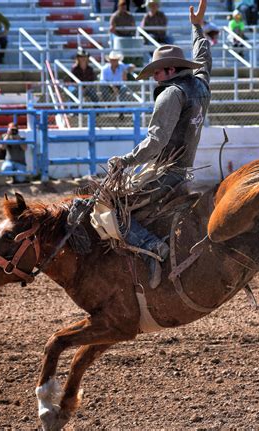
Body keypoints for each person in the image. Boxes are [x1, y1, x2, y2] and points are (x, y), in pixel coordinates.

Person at [107, 0, 212, 288]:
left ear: (169, 69)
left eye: (156, 70)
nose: (154, 75)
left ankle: (154, 248)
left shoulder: (170, 95)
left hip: (165, 174)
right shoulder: (201, 84)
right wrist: (196, 28)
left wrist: (124, 161)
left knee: (112, 206)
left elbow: (156, 142)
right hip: (184, 170)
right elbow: (204, 57)